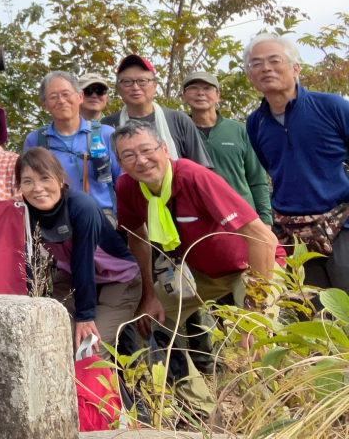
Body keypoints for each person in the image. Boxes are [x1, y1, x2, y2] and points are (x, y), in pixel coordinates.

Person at [113, 122, 279, 346]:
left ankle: (281, 376)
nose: (141, 161)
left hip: (251, 266)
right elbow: (137, 237)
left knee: (257, 338)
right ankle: (183, 381)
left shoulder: (194, 177)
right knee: (151, 321)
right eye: (129, 156)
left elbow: (263, 239)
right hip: (201, 274)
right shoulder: (127, 187)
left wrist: (255, 311)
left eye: (147, 150)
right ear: (120, 163)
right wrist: (148, 295)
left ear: (164, 149)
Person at [245, 33, 349, 291]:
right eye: (256, 63)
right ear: (250, 75)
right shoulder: (255, 123)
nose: (266, 68)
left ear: (295, 68)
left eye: (274, 60)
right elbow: (273, 169)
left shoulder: (331, 107)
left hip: (342, 224)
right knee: (315, 316)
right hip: (293, 234)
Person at [17, 147, 140, 353]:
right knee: (52, 339)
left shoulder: (82, 206)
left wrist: (85, 316)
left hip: (118, 279)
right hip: (73, 276)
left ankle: (120, 384)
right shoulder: (23, 212)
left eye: (45, 178)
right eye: (27, 181)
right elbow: (29, 263)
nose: (37, 188)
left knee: (88, 348)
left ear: (60, 179)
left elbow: (83, 259)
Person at [23, 71, 121, 216]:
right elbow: (28, 186)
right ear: (44, 104)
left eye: (66, 94)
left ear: (80, 96)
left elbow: (122, 181)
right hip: (55, 219)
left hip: (102, 217)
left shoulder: (105, 134)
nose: (61, 101)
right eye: (53, 97)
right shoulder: (36, 140)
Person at [181, 71, 271, 224]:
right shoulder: (178, 131)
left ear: (218, 96)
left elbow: (257, 180)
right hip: (198, 218)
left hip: (243, 216)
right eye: (193, 88)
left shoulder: (241, 130)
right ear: (183, 96)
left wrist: (265, 220)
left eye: (207, 88)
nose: (200, 93)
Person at [102, 55, 213, 168]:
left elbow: (201, 169)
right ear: (118, 89)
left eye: (142, 81)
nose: (135, 87)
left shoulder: (178, 119)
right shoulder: (108, 125)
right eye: (127, 82)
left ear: (155, 85)